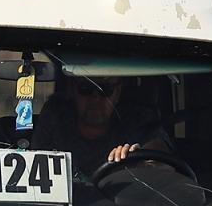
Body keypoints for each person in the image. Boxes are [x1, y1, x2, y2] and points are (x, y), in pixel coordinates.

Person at [33, 72, 174, 175]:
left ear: (118, 92)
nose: (95, 98)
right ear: (72, 90)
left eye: (105, 90)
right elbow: (35, 167)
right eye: (85, 88)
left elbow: (164, 162)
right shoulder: (56, 118)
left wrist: (143, 164)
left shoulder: (139, 121)